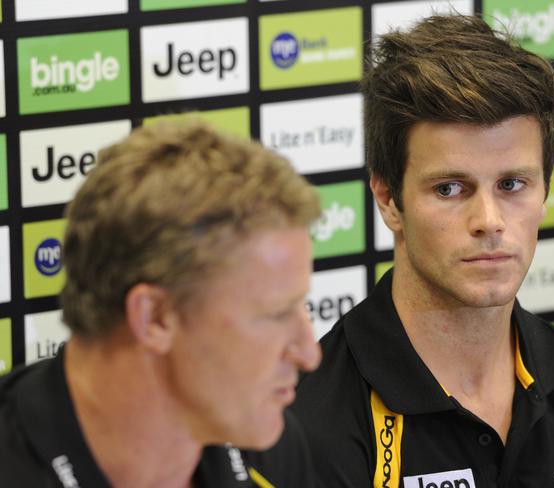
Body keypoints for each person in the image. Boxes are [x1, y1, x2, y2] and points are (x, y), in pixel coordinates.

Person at [292, 14, 554, 488]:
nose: (489, 221)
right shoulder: (305, 430)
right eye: (450, 189)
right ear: (388, 199)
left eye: (512, 184)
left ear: (544, 192)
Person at [0, 120, 322, 487]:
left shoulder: (268, 446)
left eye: (302, 308)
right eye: (277, 314)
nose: (308, 354)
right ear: (154, 317)